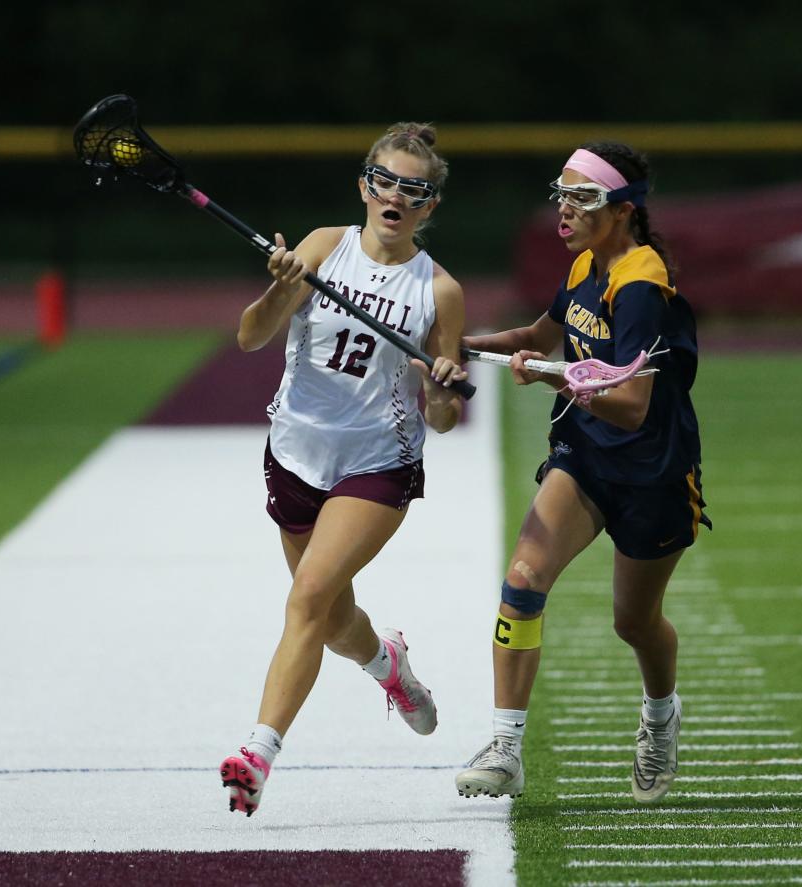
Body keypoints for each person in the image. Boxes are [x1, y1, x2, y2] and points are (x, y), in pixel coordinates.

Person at [220, 123, 469, 817]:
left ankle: (256, 756)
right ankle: (390, 666)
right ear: (364, 185)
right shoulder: (323, 248)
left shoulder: (439, 291)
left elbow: (444, 417)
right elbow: (250, 337)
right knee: (331, 619)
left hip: (377, 463)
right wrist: (279, 289)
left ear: (429, 207)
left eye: (413, 189)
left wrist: (441, 386)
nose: (395, 195)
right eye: (384, 180)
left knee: (305, 599)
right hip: (296, 454)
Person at [455, 141, 710, 804]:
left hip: (654, 471)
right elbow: (539, 338)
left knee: (634, 622)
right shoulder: (584, 266)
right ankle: (507, 746)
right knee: (523, 578)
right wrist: (459, 346)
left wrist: (545, 376)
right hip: (588, 454)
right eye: (560, 193)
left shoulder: (641, 283)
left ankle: (660, 717)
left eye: (582, 197)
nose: (564, 208)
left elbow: (631, 405)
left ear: (622, 210)